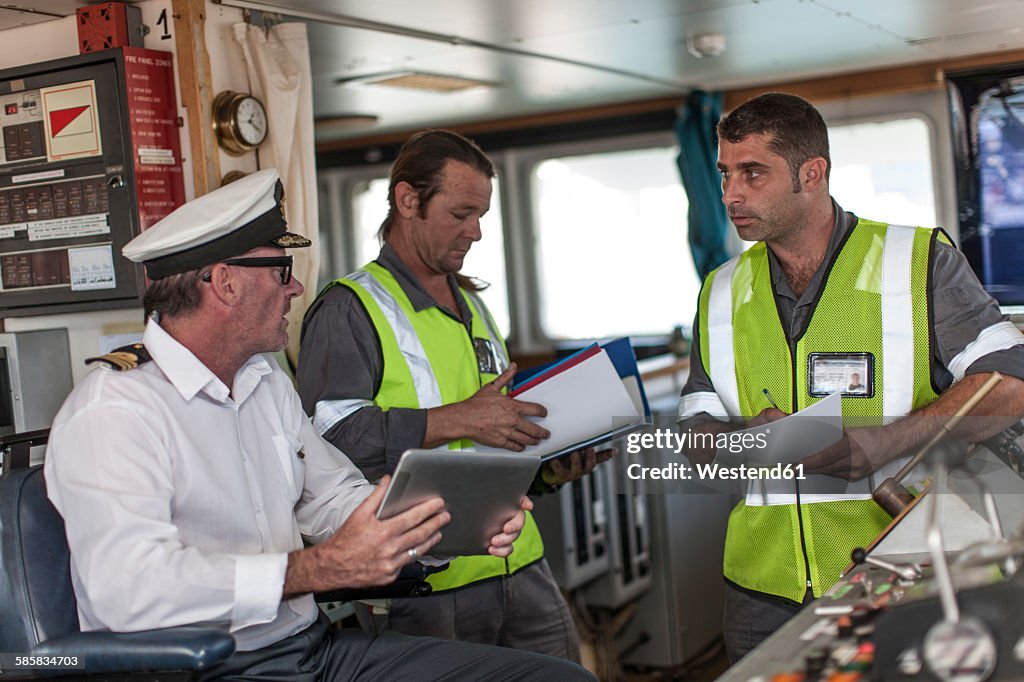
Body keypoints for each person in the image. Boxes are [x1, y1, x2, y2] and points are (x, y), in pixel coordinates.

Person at [43, 169, 595, 681]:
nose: (295, 290)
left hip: (309, 650)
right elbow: (129, 589)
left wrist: (447, 523)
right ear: (225, 283)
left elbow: (334, 499)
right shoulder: (115, 410)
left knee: (557, 677)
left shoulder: (265, 383)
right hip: (205, 668)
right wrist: (317, 569)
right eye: (281, 272)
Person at [677, 92, 1024, 662]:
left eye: (753, 173)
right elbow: (695, 429)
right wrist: (737, 440)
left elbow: (1009, 383)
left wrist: (885, 441)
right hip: (760, 586)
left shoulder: (918, 260)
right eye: (725, 173)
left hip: (902, 563)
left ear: (812, 173)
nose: (730, 194)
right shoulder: (719, 288)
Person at [297, 130, 610, 661]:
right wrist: (457, 419)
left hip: (518, 558)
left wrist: (546, 471)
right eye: (462, 213)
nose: (477, 232)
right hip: (423, 582)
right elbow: (329, 441)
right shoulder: (349, 308)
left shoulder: (475, 305)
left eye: (481, 215)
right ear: (407, 200)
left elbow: (489, 437)